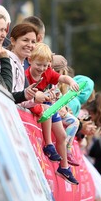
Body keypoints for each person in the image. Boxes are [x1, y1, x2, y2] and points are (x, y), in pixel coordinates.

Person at [25, 43, 80, 185]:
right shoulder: (25, 75)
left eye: (45, 66)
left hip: (46, 103)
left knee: (62, 136)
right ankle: (48, 144)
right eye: (39, 65)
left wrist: (72, 81)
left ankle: (64, 167)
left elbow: (63, 79)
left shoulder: (47, 72)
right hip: (34, 104)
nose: (42, 69)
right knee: (47, 109)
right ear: (30, 60)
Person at [52, 55, 80, 166]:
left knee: (75, 121)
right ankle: (64, 148)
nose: (56, 73)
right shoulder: (50, 80)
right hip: (49, 110)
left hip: (56, 111)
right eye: (55, 70)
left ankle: (67, 148)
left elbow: (61, 100)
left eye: (59, 70)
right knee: (74, 122)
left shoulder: (62, 85)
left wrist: (65, 108)